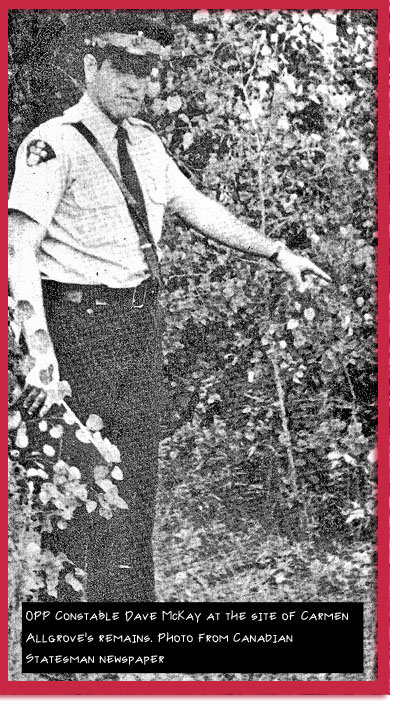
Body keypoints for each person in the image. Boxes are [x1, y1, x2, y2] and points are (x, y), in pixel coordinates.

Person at [8, 13, 330, 602]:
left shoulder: (147, 143)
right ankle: (71, 638)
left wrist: (278, 251)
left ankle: (132, 611)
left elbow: (200, 209)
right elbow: (18, 249)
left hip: (137, 326)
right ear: (90, 68)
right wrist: (40, 352)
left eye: (148, 72)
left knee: (136, 473)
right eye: (125, 69)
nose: (138, 84)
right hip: (78, 325)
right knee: (77, 474)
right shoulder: (51, 144)